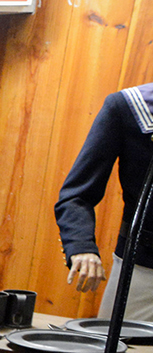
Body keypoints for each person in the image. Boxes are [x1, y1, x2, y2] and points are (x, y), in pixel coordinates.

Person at [55, 82, 153, 320]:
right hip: (142, 269)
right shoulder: (129, 106)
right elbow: (76, 193)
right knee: (118, 352)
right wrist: (81, 246)